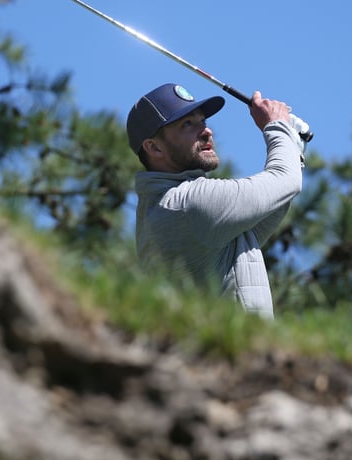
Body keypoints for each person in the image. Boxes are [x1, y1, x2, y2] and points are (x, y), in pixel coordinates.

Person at [126, 82, 306, 318]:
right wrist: (277, 127)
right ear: (154, 148)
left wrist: (294, 146)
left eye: (203, 121)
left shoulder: (172, 204)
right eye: (187, 124)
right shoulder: (187, 204)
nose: (206, 131)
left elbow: (275, 200)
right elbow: (285, 180)